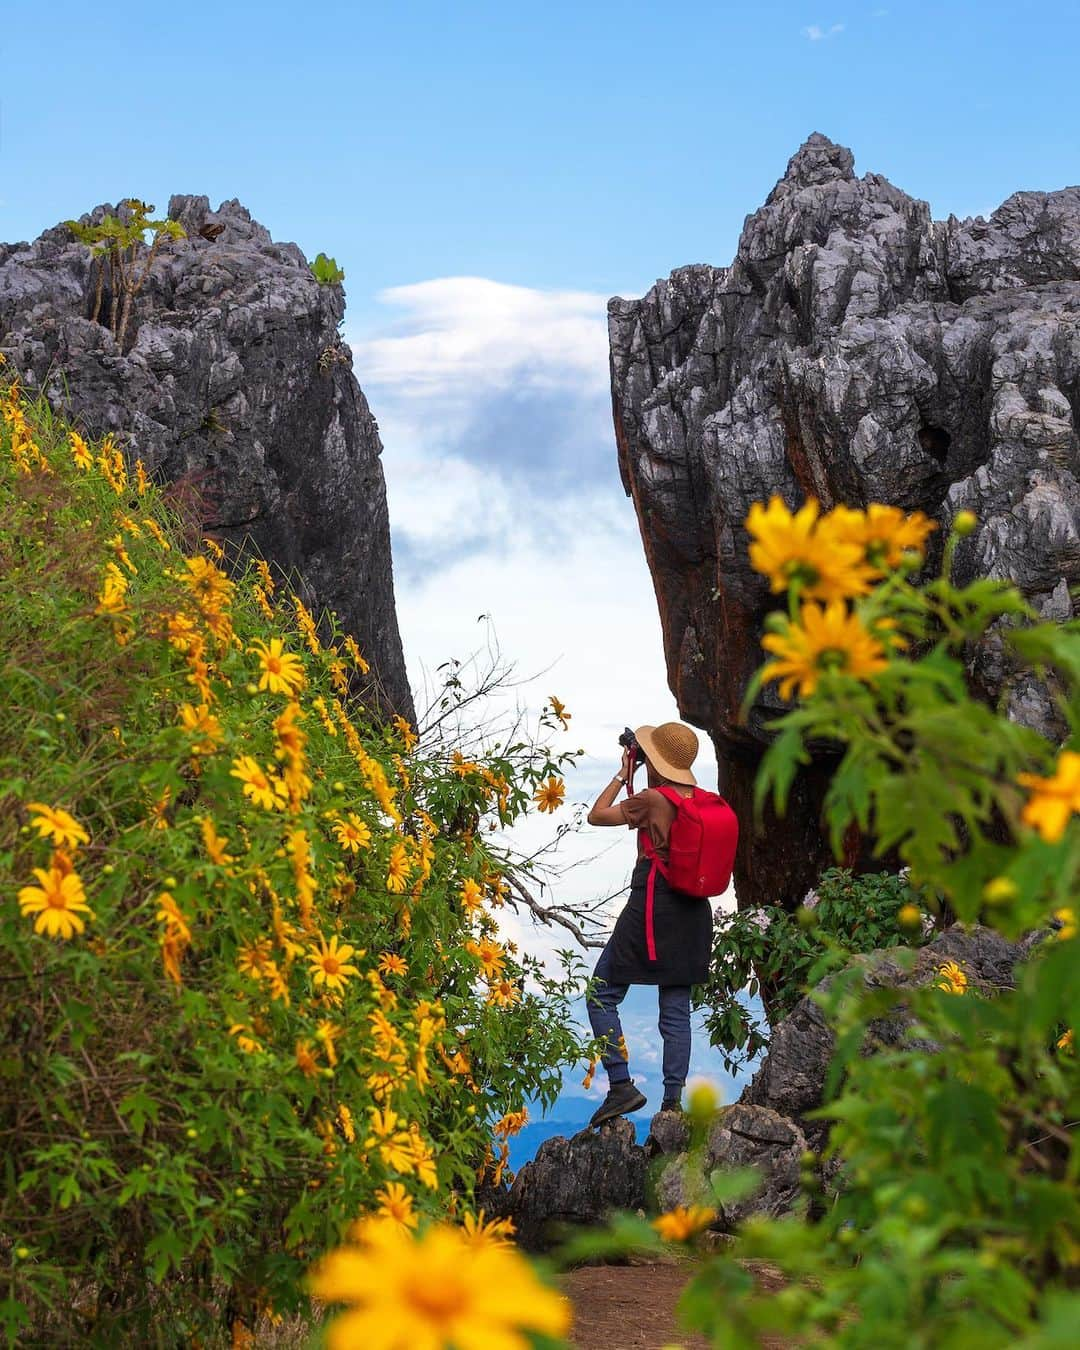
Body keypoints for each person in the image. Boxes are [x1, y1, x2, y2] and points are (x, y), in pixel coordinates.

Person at [584, 721, 713, 1125]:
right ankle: (672, 1106)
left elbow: (596, 816)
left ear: (655, 760)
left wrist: (624, 773)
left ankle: (621, 1085)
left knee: (600, 993)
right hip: (692, 910)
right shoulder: (703, 800)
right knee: (675, 1010)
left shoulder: (653, 799)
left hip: (654, 904)